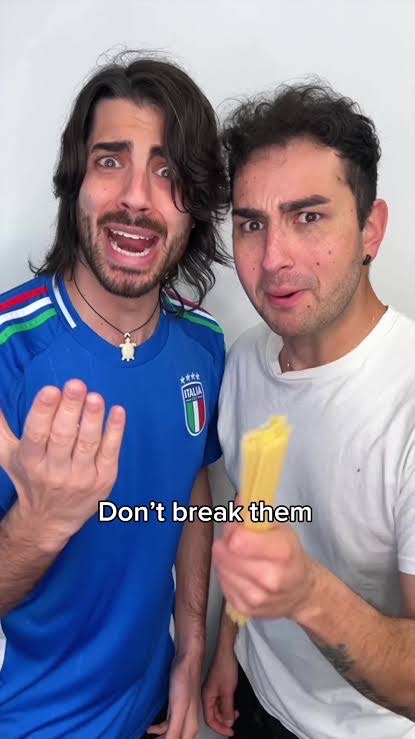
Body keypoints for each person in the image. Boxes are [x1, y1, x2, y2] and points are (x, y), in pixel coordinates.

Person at [0, 52, 229, 739]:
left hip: (152, 708)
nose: (137, 197)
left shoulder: (204, 344)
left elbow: (191, 484)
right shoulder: (9, 349)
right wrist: (40, 523)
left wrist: (190, 647)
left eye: (168, 172)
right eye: (110, 161)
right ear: (75, 183)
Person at [203, 82, 415, 739]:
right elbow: (252, 521)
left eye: (309, 217)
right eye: (251, 224)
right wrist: (229, 647)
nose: (273, 259)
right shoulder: (244, 359)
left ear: (371, 229)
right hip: (257, 695)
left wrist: (308, 595)